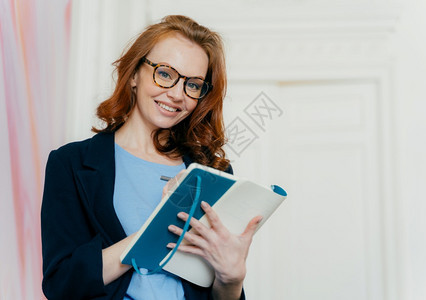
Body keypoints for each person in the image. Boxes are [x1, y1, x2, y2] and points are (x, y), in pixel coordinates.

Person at [41, 15, 262, 300]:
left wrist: (231, 278)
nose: (177, 94)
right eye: (166, 73)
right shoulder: (71, 163)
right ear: (133, 73)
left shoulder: (211, 171)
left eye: (193, 85)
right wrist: (155, 230)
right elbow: (61, 284)